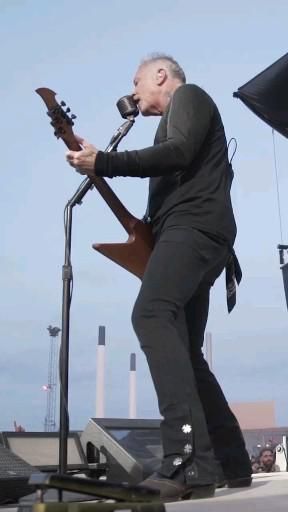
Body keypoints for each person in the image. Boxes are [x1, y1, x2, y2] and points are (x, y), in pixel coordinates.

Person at [66, 53, 252, 501]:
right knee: (185, 349)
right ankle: (230, 461)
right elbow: (170, 167)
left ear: (161, 76)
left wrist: (104, 163)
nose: (133, 92)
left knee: (150, 314)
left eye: (137, 81)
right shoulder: (171, 120)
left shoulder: (189, 97)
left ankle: (185, 459)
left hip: (195, 229)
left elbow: (177, 153)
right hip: (200, 234)